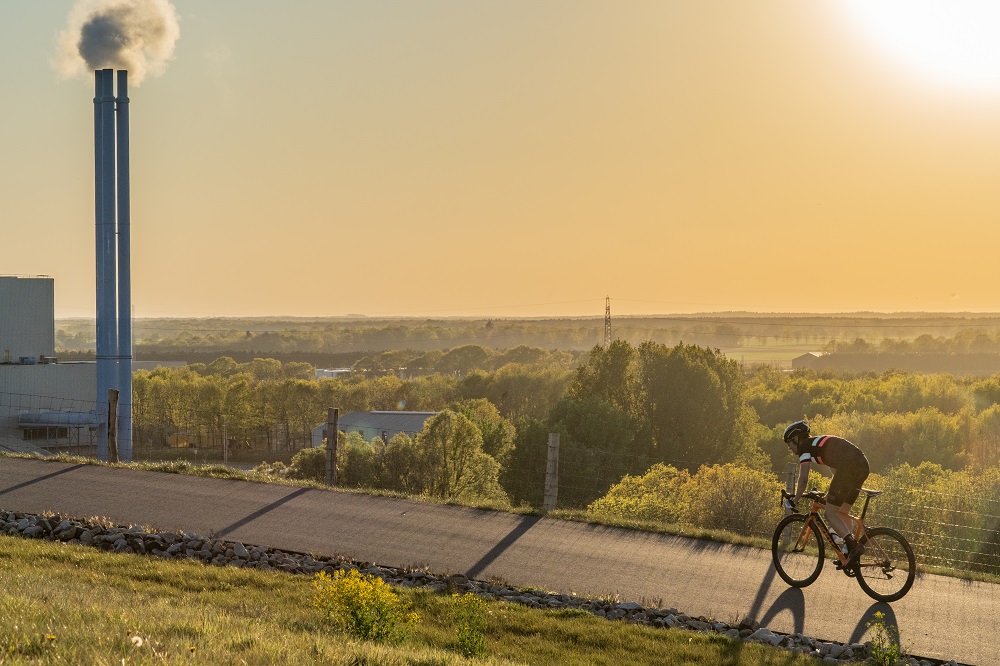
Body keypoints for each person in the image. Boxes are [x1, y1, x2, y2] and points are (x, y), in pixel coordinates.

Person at [783, 420, 869, 562]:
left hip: (849, 466)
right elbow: (837, 474)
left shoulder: (805, 448)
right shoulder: (818, 444)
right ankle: (849, 554)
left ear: (797, 439)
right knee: (842, 512)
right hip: (862, 465)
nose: (790, 448)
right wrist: (829, 495)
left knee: (830, 513)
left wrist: (794, 500)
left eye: (790, 444)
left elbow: (803, 479)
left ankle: (853, 545)